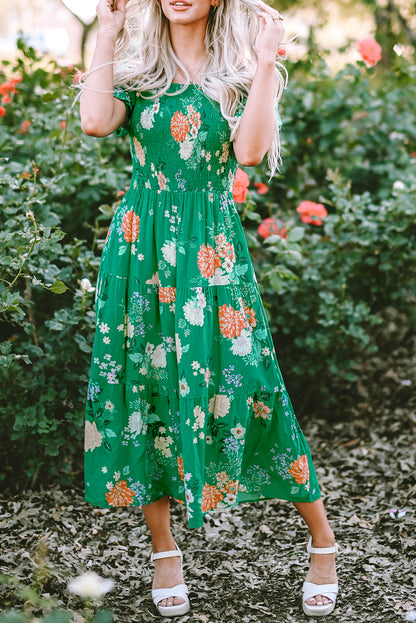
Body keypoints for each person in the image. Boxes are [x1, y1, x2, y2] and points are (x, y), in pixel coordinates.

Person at [80, 0, 339, 617]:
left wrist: (266, 58)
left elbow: (249, 154)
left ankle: (324, 540)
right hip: (141, 253)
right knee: (146, 389)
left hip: (211, 252)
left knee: (253, 384)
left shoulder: (240, 74)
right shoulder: (141, 71)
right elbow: (94, 120)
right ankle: (164, 551)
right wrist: (110, 32)